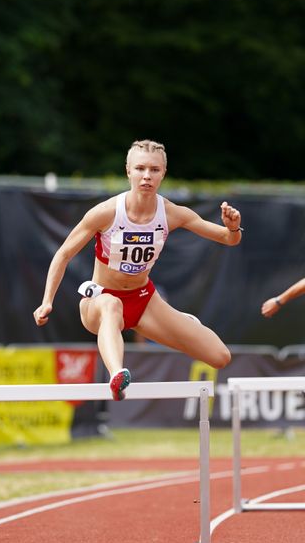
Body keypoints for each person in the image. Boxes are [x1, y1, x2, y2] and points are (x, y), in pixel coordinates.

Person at [33, 139, 243, 401]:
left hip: (144, 300)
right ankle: (116, 375)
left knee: (220, 357)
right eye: (140, 168)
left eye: (154, 170)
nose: (147, 176)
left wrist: (233, 227)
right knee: (112, 306)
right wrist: (46, 301)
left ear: (163, 174)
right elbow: (63, 254)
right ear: (128, 171)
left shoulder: (172, 213)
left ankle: (182, 323)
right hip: (99, 301)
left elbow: (227, 239)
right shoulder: (106, 213)